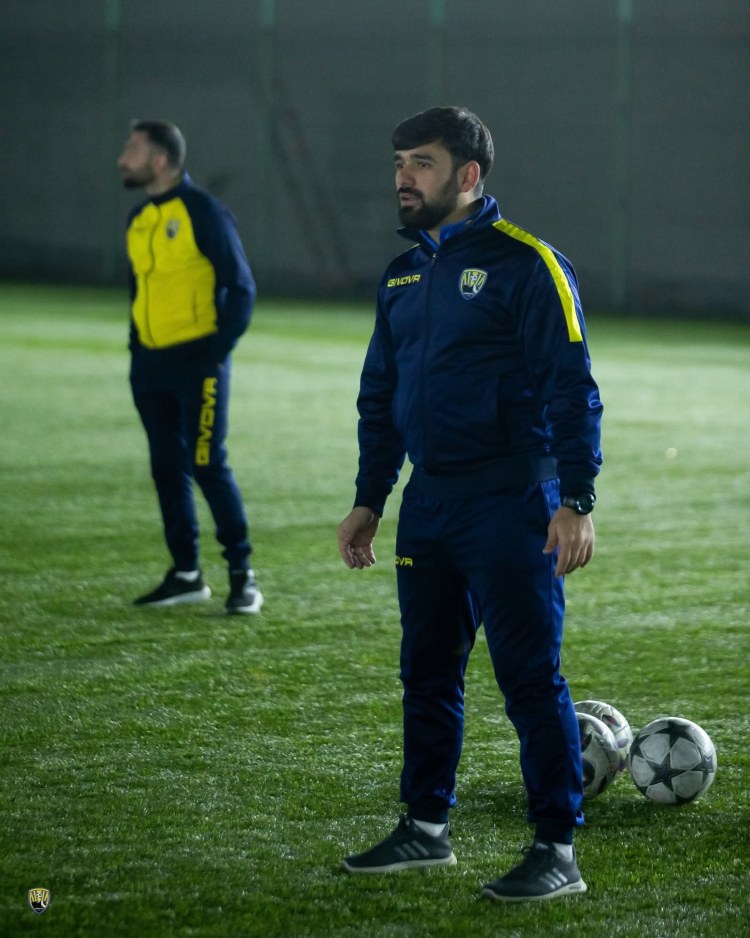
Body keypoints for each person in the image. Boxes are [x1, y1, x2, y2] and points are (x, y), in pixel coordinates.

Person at [337, 106, 602, 901]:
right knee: (426, 673)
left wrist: (576, 498)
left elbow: (572, 386)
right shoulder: (402, 274)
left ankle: (556, 848)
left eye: (421, 163)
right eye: (398, 164)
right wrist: (370, 498)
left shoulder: (528, 263)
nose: (403, 177)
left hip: (513, 502)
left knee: (529, 679)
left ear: (469, 174)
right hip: (430, 503)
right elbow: (380, 395)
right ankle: (426, 829)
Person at [117, 119, 263, 614]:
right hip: (149, 366)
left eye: (132, 150)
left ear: (160, 160)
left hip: (198, 364)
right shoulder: (139, 219)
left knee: (207, 464)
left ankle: (243, 576)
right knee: (166, 468)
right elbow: (141, 290)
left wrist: (216, 353)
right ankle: (186, 574)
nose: (122, 159)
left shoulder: (203, 211)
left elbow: (241, 287)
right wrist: (137, 346)